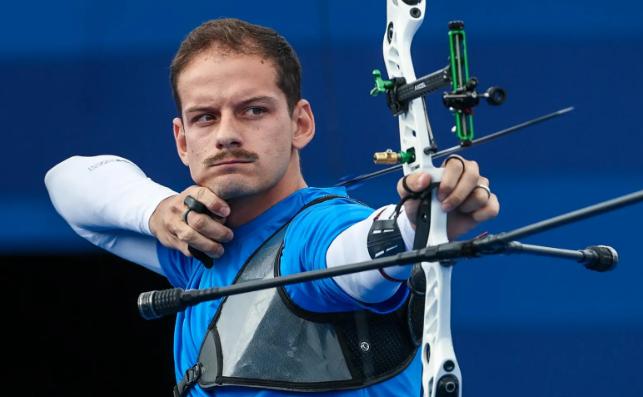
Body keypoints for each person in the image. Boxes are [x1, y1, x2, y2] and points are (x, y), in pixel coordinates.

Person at [45, 18, 499, 396]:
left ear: (300, 123)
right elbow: (68, 184)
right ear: (182, 141)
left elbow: (357, 256)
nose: (226, 134)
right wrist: (158, 210)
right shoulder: (201, 246)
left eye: (253, 110)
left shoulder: (318, 229)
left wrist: (417, 221)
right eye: (206, 116)